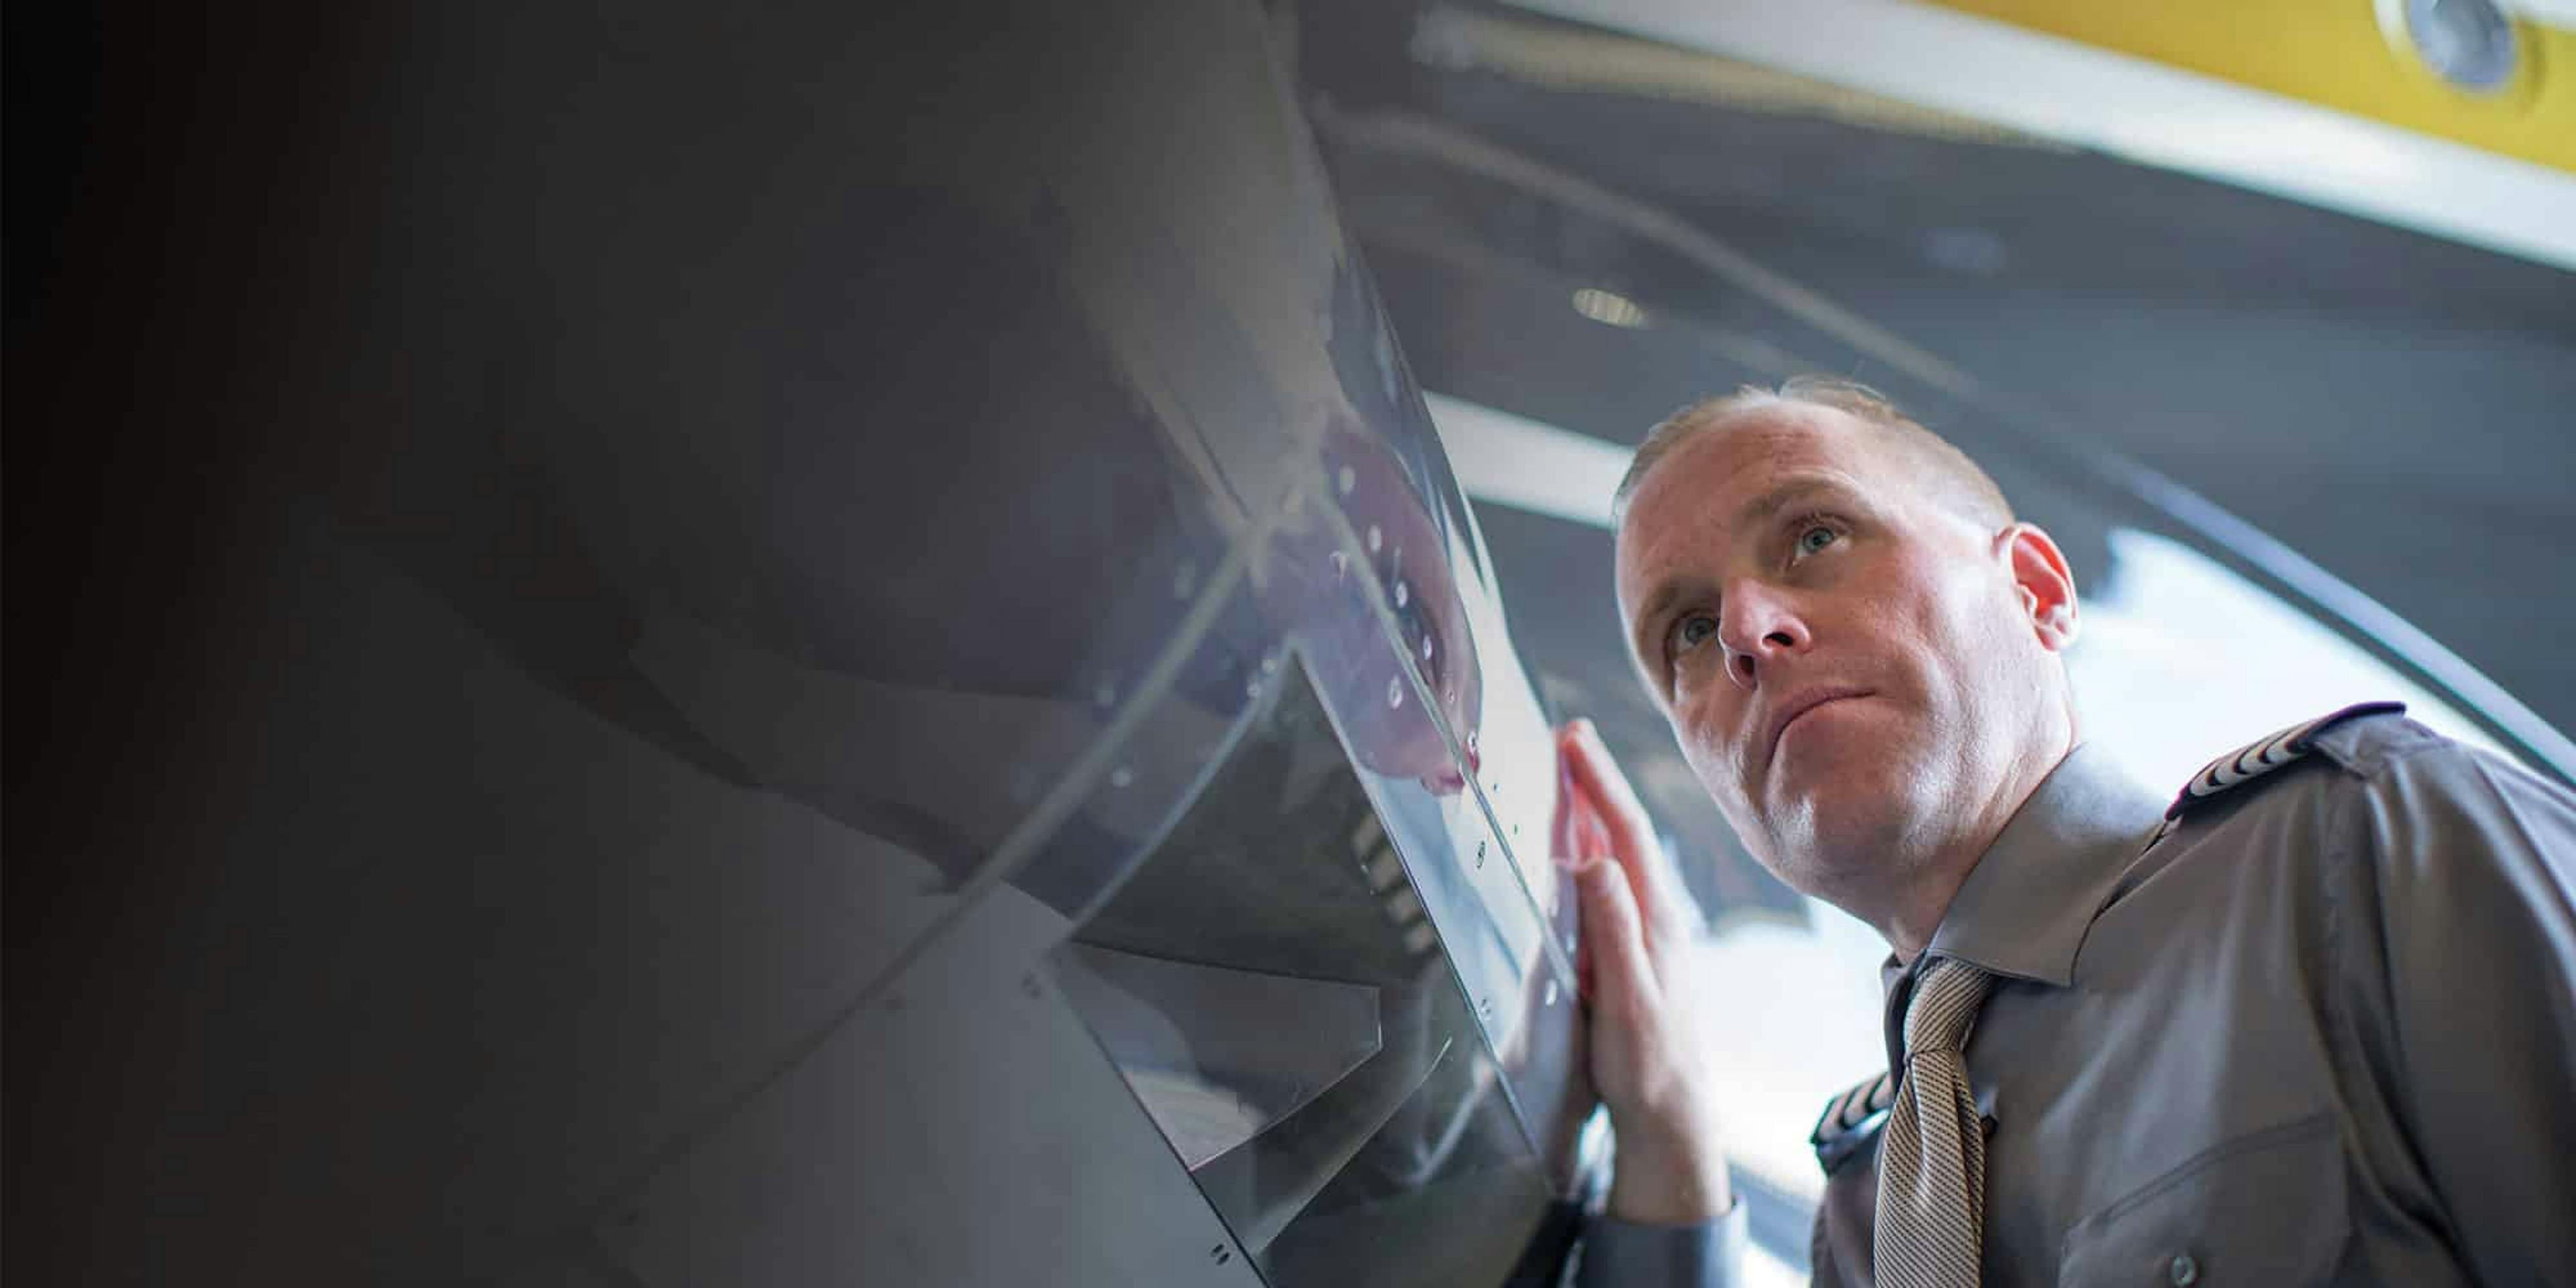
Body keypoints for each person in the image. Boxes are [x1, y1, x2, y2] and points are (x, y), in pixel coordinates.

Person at [1556, 376, 2576, 1286]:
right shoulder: (1866, 1223)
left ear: (2037, 592)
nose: (1745, 629)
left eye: (1817, 537)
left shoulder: (2363, 849)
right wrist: (1667, 1143)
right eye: (1687, 631)